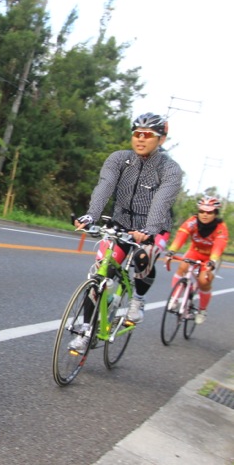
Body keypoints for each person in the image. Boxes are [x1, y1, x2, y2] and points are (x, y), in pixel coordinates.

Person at [70, 112, 183, 350]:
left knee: (144, 256)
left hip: (154, 227)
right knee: (100, 274)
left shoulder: (170, 169)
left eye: (148, 135)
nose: (141, 139)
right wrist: (91, 215)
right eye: (137, 134)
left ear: (161, 139)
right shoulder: (119, 159)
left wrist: (149, 230)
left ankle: (138, 301)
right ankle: (86, 330)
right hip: (120, 223)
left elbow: (162, 201)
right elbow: (105, 186)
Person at [165, 195, 229, 324]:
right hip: (195, 252)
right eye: (202, 211)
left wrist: (213, 262)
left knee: (203, 281)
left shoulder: (221, 228)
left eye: (209, 212)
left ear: (215, 214)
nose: (205, 215)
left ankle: (202, 310)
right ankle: (175, 298)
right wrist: (171, 251)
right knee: (183, 266)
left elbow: (219, 246)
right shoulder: (192, 221)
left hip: (210, 257)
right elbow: (181, 236)